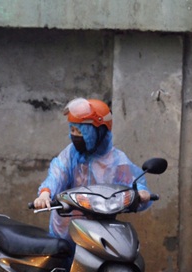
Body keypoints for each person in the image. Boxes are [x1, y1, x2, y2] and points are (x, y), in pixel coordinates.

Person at [33, 97, 152, 240]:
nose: (75, 135)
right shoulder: (70, 155)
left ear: (99, 131)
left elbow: (131, 182)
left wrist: (141, 193)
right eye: (73, 129)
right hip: (67, 229)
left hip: (102, 227)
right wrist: (45, 193)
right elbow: (57, 175)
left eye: (81, 130)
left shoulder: (116, 160)